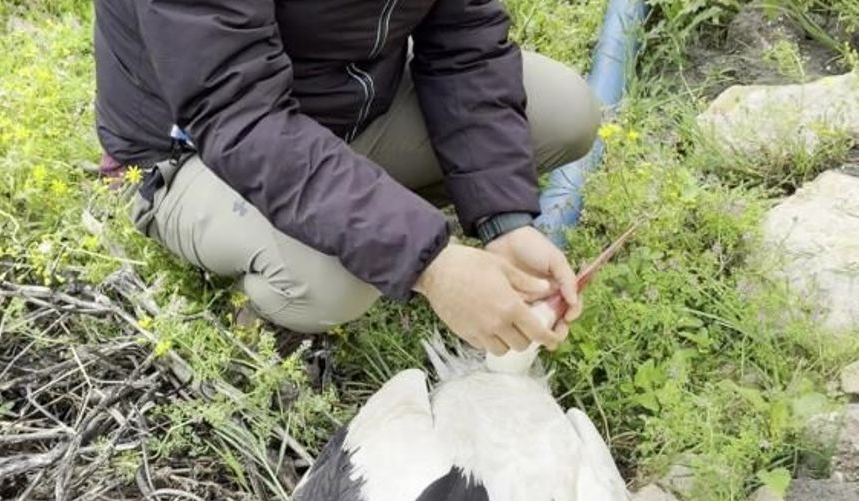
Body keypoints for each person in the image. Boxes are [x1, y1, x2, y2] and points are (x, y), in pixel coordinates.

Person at [93, 0, 601, 356]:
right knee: (336, 283)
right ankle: (266, 304)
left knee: (564, 110)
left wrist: (504, 220)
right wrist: (434, 266)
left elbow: (464, 43)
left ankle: (359, 204)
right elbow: (242, 118)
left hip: (345, 109)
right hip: (196, 149)